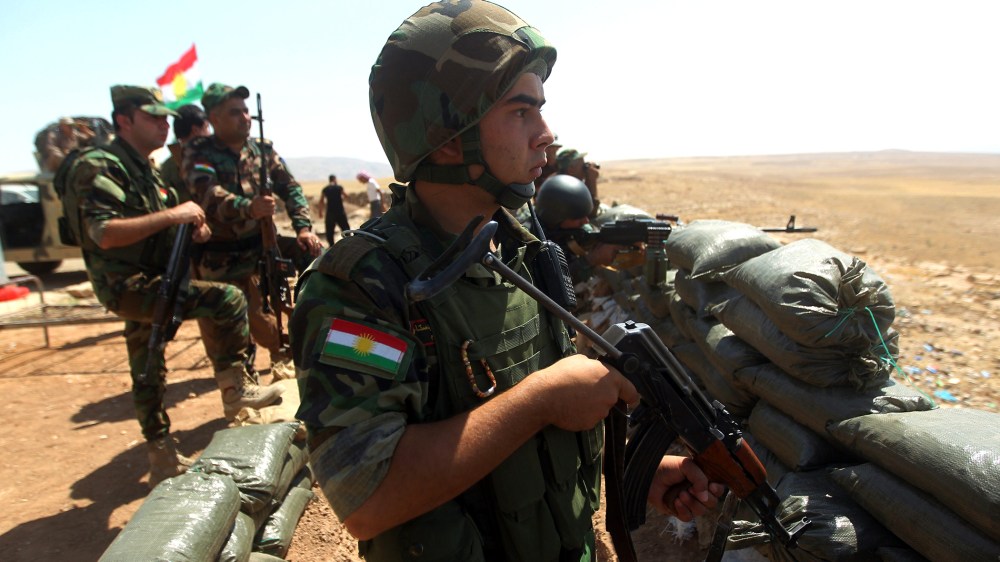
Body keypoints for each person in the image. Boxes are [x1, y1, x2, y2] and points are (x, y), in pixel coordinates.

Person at [292, 2, 723, 559]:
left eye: (540, 110)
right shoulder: (362, 289)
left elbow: (529, 437)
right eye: (521, 112)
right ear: (449, 137)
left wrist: (637, 474)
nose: (547, 134)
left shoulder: (521, 248)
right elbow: (366, 496)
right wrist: (541, 399)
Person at [61, 85, 282, 487]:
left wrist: (190, 226)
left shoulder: (143, 167)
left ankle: (160, 452)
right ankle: (236, 390)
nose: (165, 125)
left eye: (166, 117)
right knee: (228, 299)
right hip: (125, 283)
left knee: (147, 369)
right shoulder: (99, 165)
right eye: (153, 117)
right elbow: (105, 233)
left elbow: (164, 220)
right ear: (124, 120)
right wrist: (173, 217)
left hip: (155, 279)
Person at [183, 83, 323, 382]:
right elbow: (206, 193)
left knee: (306, 271)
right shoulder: (199, 151)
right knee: (234, 329)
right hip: (222, 256)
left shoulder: (263, 149)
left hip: (261, 246)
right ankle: (241, 386)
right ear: (214, 119)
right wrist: (249, 207)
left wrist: (303, 228)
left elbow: (290, 187)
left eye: (246, 111)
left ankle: (288, 359)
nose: (245, 117)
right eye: (235, 112)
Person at [534, 174, 626, 284]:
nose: (586, 221)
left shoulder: (569, 229)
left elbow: (590, 234)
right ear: (556, 218)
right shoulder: (532, 242)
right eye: (578, 218)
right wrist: (591, 259)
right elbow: (552, 284)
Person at [160, 104, 211, 201]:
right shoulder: (207, 158)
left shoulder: (167, 167)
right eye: (207, 127)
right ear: (196, 130)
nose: (209, 133)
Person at [557, 147, 601, 217]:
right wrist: (592, 181)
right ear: (571, 169)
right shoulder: (566, 188)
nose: (585, 169)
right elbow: (590, 213)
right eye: (583, 166)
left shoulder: (560, 180)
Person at [317, 174, 350, 245]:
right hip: (340, 212)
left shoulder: (325, 189)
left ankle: (331, 246)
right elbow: (346, 196)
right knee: (345, 228)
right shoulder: (339, 187)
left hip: (330, 213)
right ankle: (348, 243)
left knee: (329, 230)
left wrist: (320, 212)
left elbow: (321, 201)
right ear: (335, 179)